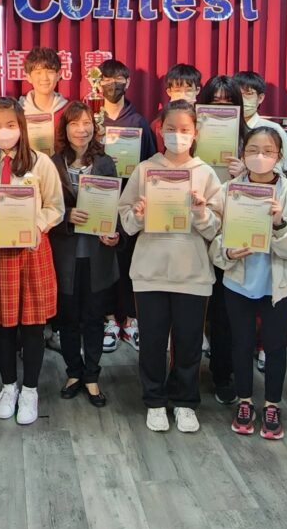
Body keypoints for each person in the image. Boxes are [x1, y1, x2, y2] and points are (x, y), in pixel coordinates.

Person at [118, 100, 222, 434]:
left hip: (192, 272)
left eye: (185, 129)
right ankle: (154, 401)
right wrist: (138, 213)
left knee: (189, 342)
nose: (178, 135)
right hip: (150, 272)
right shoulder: (145, 169)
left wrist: (201, 212)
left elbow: (217, 228)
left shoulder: (206, 173)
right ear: (160, 130)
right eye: (171, 129)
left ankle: (185, 401)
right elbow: (126, 221)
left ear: (196, 133)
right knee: (151, 341)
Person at [210, 126, 287, 440]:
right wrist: (227, 252)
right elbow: (212, 237)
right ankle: (244, 401)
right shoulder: (228, 191)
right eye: (253, 150)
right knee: (241, 343)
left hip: (277, 284)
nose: (260, 156)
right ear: (243, 154)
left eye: (268, 151)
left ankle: (272, 404)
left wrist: (281, 224)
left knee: (274, 345)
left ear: (279, 155)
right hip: (238, 282)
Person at [0, 97, 65, 426]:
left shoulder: (41, 163)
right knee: (3, 326)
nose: (4, 132)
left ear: (22, 127)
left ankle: (30, 390)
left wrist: (36, 226)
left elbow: (55, 207)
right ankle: (8, 387)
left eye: (11, 125)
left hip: (32, 253)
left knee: (32, 325)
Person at [50, 101, 120, 407]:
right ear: (65, 129)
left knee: (93, 318)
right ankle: (73, 373)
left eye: (87, 122)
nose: (82, 129)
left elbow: (116, 206)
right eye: (74, 123)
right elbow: (43, 208)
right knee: (68, 319)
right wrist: (66, 216)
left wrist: (115, 233)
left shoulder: (105, 163)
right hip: (64, 256)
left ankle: (92, 375)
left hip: (97, 255)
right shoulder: (52, 164)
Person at [96, 58, 156, 354]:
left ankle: (131, 320)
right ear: (98, 84)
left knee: (131, 261)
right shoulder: (92, 120)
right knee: (105, 262)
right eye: (106, 79)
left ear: (128, 82)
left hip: (132, 203)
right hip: (100, 200)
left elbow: (151, 163)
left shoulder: (139, 122)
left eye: (118, 79)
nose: (113, 85)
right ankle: (108, 319)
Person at [196, 74, 248, 405]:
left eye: (229, 103)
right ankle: (184, 372)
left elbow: (275, 183)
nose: (222, 109)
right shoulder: (190, 136)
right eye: (215, 103)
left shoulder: (250, 140)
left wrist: (246, 173)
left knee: (224, 310)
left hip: (232, 235)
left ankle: (222, 373)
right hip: (197, 231)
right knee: (191, 308)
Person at [232, 71, 287, 171]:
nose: (242, 99)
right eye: (238, 94)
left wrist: (247, 171)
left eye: (249, 94)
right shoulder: (226, 127)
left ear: (260, 98)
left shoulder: (274, 129)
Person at [17, 46, 70, 145]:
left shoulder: (68, 111)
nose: (45, 78)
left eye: (50, 72)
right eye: (38, 73)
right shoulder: (18, 111)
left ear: (58, 75)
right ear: (28, 77)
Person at [149, 64, 202, 154]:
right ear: (169, 92)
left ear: (197, 90)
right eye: (178, 90)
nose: (183, 95)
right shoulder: (157, 125)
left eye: (188, 90)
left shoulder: (205, 122)